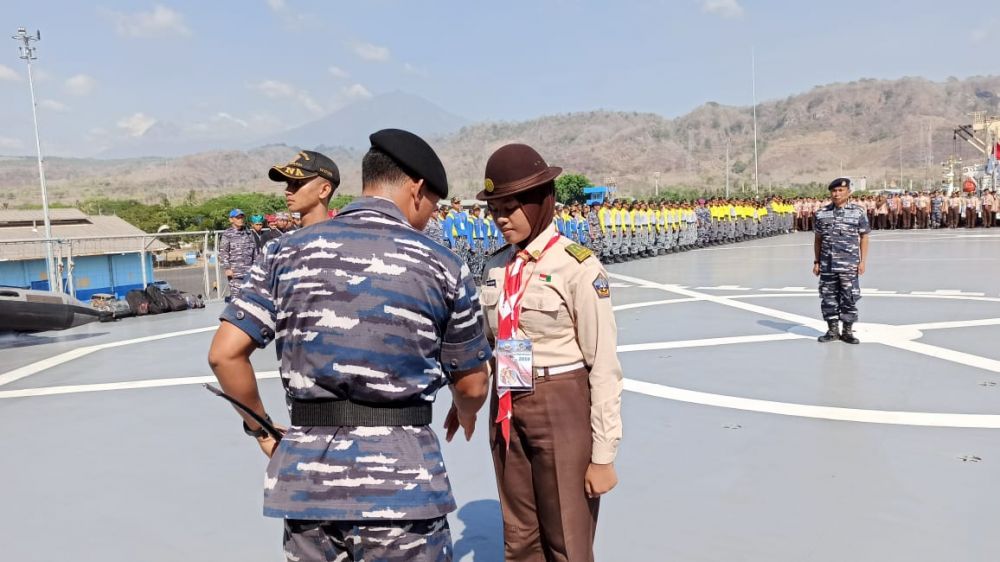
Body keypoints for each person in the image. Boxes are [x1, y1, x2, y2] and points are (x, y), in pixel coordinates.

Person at [207, 128, 491, 562]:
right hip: (403, 488)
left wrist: (261, 430)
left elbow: (224, 354)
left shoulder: (284, 253)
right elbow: (472, 385)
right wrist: (466, 410)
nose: (431, 215)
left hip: (308, 488)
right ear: (417, 189)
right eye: (433, 204)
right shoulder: (443, 264)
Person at [476, 143, 623, 562]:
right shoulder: (495, 266)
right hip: (506, 399)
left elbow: (604, 366)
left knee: (566, 538)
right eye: (494, 209)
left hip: (560, 402)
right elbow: (492, 342)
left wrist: (603, 454)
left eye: (511, 206)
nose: (501, 217)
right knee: (519, 536)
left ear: (541, 201)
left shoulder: (577, 266)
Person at [813, 178, 871, 344]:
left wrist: (862, 261)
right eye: (834, 191)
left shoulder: (858, 212)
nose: (836, 194)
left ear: (848, 192)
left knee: (849, 297)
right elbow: (818, 239)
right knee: (828, 297)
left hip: (849, 264)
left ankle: (847, 331)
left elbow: (864, 237)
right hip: (827, 264)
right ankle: (832, 330)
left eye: (840, 190)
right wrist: (816, 261)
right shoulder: (821, 213)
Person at [268, 150, 341, 229]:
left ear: (324, 190)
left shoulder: (347, 239)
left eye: (299, 183)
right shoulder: (283, 241)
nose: (287, 191)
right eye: (288, 183)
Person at [218, 208, 257, 301]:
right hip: (235, 272)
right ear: (231, 219)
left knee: (250, 299)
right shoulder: (227, 234)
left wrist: (256, 267)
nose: (240, 219)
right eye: (237, 217)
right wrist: (227, 268)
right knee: (237, 299)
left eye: (242, 217)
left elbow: (254, 251)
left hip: (249, 271)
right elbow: (224, 252)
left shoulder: (248, 233)